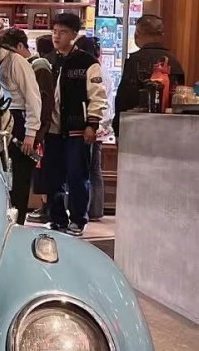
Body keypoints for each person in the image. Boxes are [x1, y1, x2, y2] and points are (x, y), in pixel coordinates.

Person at [43, 13, 108, 237]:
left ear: (74, 34)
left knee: (77, 176)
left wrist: (92, 123)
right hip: (52, 129)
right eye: (54, 32)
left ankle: (78, 220)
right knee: (53, 178)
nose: (56, 36)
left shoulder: (87, 62)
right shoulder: (48, 60)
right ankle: (57, 219)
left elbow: (97, 96)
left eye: (62, 32)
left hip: (77, 128)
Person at [0, 28, 42, 225]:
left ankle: (18, 221)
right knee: (7, 173)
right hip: (7, 118)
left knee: (20, 175)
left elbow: (33, 98)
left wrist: (31, 133)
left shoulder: (17, 62)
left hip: (20, 119)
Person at [113, 13, 185, 138]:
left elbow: (125, 98)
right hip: (169, 131)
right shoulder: (175, 63)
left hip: (137, 130)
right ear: (162, 35)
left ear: (137, 34)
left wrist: (117, 129)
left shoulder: (135, 61)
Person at [74, 35, 107, 221]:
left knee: (88, 170)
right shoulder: (100, 69)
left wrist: (92, 123)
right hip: (100, 126)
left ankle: (88, 209)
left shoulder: (91, 69)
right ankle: (95, 209)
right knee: (94, 170)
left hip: (91, 126)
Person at [26, 35, 56, 224]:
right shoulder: (48, 64)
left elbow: (44, 100)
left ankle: (47, 207)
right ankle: (47, 206)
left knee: (44, 169)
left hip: (45, 128)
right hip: (46, 126)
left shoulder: (41, 66)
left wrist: (39, 129)